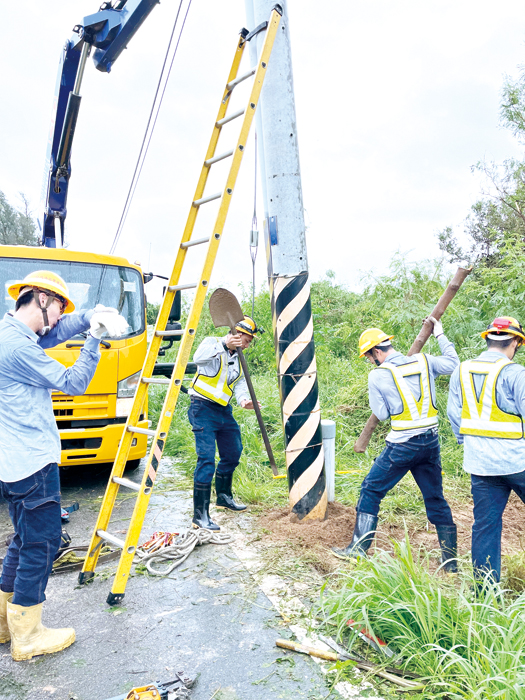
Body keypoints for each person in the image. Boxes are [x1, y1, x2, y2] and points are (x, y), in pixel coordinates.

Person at [0, 270, 127, 661]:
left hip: (15, 460)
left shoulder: (13, 332)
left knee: (24, 539)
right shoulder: (18, 348)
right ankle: (28, 636)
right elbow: (74, 383)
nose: (58, 317)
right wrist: (95, 338)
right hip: (32, 462)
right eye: (57, 306)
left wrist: (90, 316)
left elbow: (56, 331)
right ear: (40, 298)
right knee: (42, 543)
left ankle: (5, 626)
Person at [333, 319, 459, 571]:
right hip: (430, 442)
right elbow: (454, 363)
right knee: (435, 497)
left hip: (402, 445)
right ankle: (450, 561)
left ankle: (357, 550)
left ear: (376, 352)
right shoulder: (425, 361)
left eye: (369, 356)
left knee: (371, 490)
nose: (370, 361)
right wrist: (440, 334)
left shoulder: (379, 375)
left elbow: (381, 413)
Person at [447, 316, 525, 585]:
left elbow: (453, 414)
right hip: (517, 463)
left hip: (480, 465)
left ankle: (485, 597)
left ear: (488, 339)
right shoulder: (516, 374)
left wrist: (468, 442)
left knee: (485, 528)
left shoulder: (462, 370)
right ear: (515, 341)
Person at [188, 316, 260, 531]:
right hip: (201, 407)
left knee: (233, 452)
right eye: (246, 340)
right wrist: (223, 345)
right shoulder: (212, 342)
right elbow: (198, 359)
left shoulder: (238, 358)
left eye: (248, 342)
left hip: (223, 410)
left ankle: (224, 497)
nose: (247, 345)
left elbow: (236, 384)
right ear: (236, 335)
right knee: (207, 459)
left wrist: (243, 400)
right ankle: (200, 516)